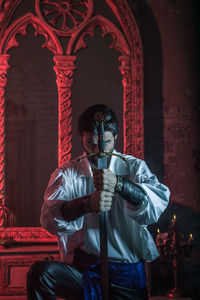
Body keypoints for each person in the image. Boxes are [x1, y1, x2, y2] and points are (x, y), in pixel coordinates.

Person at [27, 104, 170, 300]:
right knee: (41, 274)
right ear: (82, 139)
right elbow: (49, 219)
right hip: (85, 272)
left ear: (116, 137)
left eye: (106, 143)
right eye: (92, 144)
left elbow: (153, 206)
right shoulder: (68, 174)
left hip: (126, 276)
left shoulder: (134, 167)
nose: (100, 151)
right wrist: (86, 204)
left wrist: (120, 184)